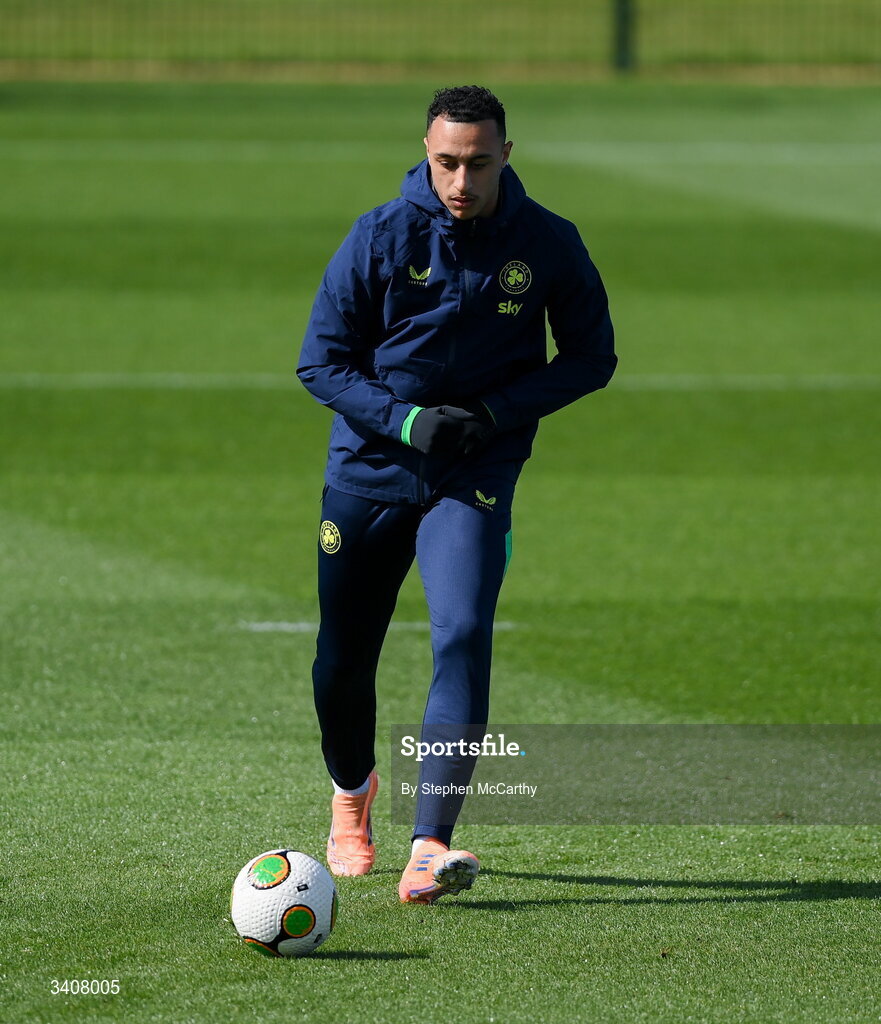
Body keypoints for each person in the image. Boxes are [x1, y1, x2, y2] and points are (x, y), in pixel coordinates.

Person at [297, 85, 616, 903]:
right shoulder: (379, 235)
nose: (461, 180)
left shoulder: (546, 243)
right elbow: (320, 363)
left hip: (473, 474)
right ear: (425, 152)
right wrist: (405, 423)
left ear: (507, 153)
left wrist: (493, 414)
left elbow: (590, 356)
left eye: (477, 162)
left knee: (464, 632)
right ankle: (351, 795)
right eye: (446, 162)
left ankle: (429, 843)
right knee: (342, 661)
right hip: (369, 473)